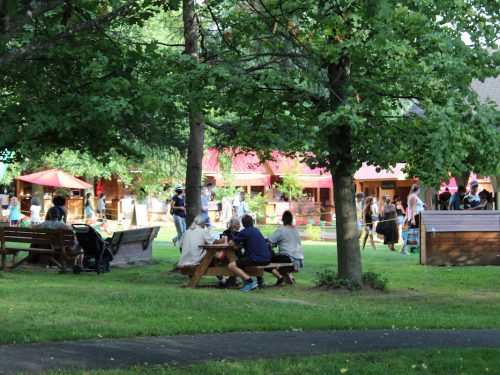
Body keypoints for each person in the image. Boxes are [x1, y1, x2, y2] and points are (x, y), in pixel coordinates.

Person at [177, 215, 226, 284]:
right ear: (202, 223)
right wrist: (223, 240)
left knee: (209, 257)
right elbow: (214, 242)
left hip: (184, 260)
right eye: (205, 224)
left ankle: (194, 280)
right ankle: (223, 280)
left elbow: (180, 245)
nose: (205, 225)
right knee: (211, 257)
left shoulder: (187, 231)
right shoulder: (203, 231)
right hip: (195, 259)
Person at [228, 215, 271, 292]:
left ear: (243, 224)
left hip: (256, 258)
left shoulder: (244, 232)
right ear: (252, 222)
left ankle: (250, 282)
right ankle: (260, 280)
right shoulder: (257, 231)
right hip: (267, 258)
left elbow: (231, 244)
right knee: (243, 263)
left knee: (231, 265)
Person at [268, 211, 304, 285]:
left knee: (265, 260)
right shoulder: (295, 230)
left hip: (288, 258)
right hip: (299, 259)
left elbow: (270, 241)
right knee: (276, 257)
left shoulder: (281, 229)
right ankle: (288, 278)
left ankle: (280, 277)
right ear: (291, 220)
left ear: (283, 220)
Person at [402, 184, 425, 254]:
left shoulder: (415, 196)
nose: (420, 191)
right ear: (418, 190)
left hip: (417, 216)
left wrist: (423, 205)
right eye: (419, 190)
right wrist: (413, 219)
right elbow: (413, 208)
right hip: (415, 217)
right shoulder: (413, 196)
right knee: (411, 233)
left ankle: (417, 248)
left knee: (415, 233)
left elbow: (417, 206)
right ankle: (403, 249)